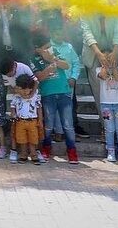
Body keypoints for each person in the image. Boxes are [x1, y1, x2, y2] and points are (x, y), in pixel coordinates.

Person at [33, 33, 79, 164]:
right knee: (48, 125)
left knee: (68, 125)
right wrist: (48, 68)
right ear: (37, 49)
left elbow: (66, 66)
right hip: (48, 94)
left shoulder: (54, 52)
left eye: (50, 46)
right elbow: (39, 77)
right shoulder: (33, 59)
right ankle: (46, 148)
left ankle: (72, 150)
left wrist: (53, 58)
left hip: (64, 92)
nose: (49, 49)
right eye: (46, 47)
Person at [0, 57, 40, 163]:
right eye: (7, 75)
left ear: (13, 67)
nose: (9, 76)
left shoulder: (24, 68)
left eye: (10, 74)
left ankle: (35, 152)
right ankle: (17, 151)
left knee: (33, 136)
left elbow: (35, 82)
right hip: (17, 99)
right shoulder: (4, 73)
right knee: (17, 132)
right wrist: (19, 93)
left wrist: (30, 95)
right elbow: (10, 88)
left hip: (30, 99)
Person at [80, 16, 118, 111]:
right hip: (93, 53)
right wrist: (98, 53)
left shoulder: (115, 7)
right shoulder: (85, 9)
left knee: (117, 86)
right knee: (98, 90)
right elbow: (87, 33)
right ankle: (105, 123)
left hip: (113, 50)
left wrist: (115, 51)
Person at [49, 23, 82, 140]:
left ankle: (68, 132)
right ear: (52, 34)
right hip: (53, 82)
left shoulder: (69, 47)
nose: (59, 36)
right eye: (57, 34)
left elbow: (76, 63)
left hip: (68, 83)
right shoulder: (48, 48)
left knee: (67, 108)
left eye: (61, 33)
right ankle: (58, 132)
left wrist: (73, 77)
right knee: (55, 108)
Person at [98, 60, 118, 163]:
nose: (108, 59)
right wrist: (104, 65)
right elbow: (102, 76)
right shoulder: (98, 69)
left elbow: (117, 77)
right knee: (110, 129)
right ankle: (110, 151)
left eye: (110, 57)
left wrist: (114, 65)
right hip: (105, 104)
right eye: (105, 57)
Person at [11, 74, 43, 165]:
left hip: (32, 121)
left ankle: (34, 155)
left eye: (28, 89)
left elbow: (39, 108)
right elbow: (13, 107)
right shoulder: (16, 97)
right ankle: (23, 155)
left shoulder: (35, 96)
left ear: (31, 88)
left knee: (33, 139)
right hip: (20, 121)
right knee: (22, 140)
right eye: (22, 89)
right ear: (18, 88)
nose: (25, 92)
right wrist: (13, 114)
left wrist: (40, 120)